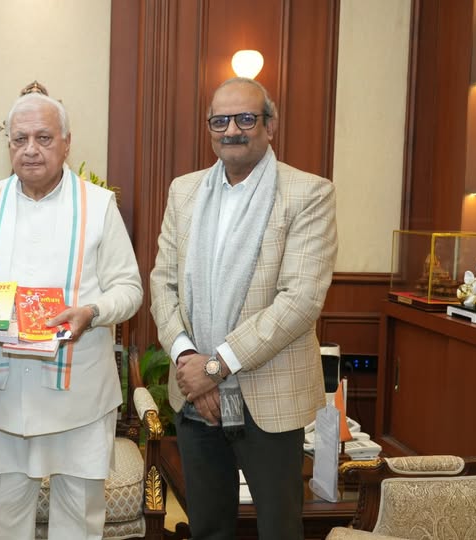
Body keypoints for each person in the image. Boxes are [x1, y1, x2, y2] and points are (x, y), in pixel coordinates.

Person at [150, 77, 338, 539]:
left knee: (279, 529)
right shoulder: (184, 191)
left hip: (268, 398)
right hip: (195, 394)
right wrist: (187, 359)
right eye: (220, 120)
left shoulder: (308, 193)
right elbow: (162, 282)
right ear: (210, 127)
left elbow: (299, 302)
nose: (232, 129)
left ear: (269, 125)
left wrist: (215, 366)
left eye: (246, 118)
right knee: (208, 527)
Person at [0, 92, 142, 540]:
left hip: (78, 393)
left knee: (77, 521)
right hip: (5, 391)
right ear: (9, 146)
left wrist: (92, 312)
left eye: (43, 137)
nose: (30, 149)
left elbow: (130, 290)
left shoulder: (99, 205)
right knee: (7, 518)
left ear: (66, 143)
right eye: (20, 139)